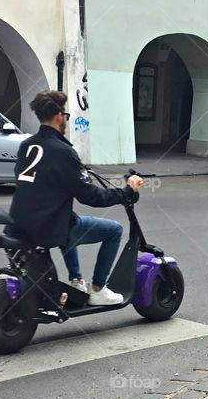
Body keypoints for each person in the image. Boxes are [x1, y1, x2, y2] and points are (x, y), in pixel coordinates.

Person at [9, 91, 144, 306]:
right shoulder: (63, 151)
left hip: (19, 222)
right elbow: (90, 196)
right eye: (66, 115)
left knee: (70, 220)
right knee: (113, 230)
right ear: (58, 116)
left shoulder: (27, 146)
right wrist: (126, 192)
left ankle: (76, 281)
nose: (66, 120)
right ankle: (98, 290)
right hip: (49, 227)